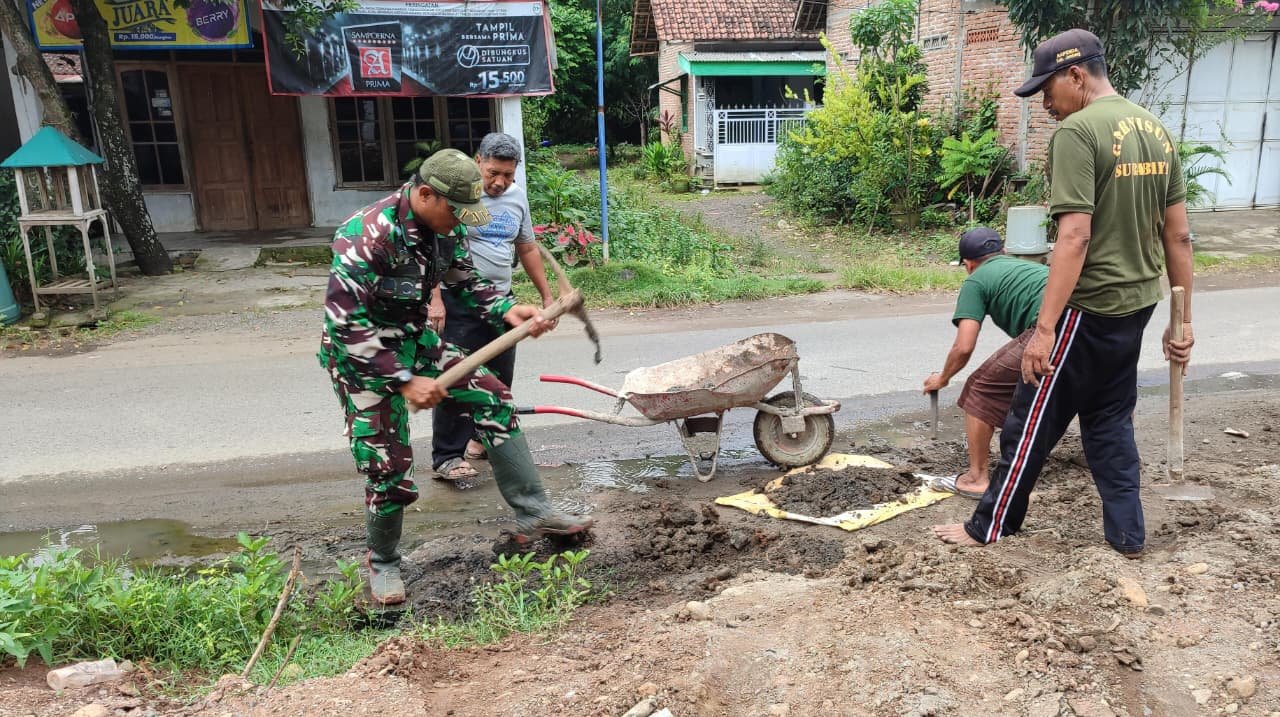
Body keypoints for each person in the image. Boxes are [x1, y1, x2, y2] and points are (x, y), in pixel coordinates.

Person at [933, 29, 1195, 557]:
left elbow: (1075, 234)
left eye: (1048, 91)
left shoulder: (1079, 132)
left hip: (1087, 308)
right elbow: (1179, 234)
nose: (1047, 106)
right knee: (1108, 420)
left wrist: (1045, 329)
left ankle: (989, 525)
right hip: (1137, 306)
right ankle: (1127, 534)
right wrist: (1182, 319)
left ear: (1076, 75)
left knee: (1029, 421)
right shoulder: (1155, 129)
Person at [318, 148, 593, 605]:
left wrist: (509, 309)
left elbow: (467, 283)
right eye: (456, 212)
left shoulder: (447, 228)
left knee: (493, 397)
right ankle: (383, 562)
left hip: (414, 341)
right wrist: (405, 381)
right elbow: (346, 325)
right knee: (388, 467)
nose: (463, 223)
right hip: (363, 359)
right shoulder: (366, 235)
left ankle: (535, 513)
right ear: (426, 194)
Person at [430, 132, 555, 480]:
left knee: (500, 376)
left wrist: (546, 297)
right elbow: (434, 250)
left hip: (501, 301)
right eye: (493, 173)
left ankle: (480, 441)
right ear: (478, 162)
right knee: (457, 377)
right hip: (460, 300)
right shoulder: (458, 197)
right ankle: (447, 457)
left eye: (508, 175)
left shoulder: (517, 198)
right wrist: (435, 297)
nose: (500, 182)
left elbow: (527, 247)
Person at [921, 227, 1048, 499]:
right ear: (1002, 252)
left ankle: (977, 478)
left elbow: (964, 345)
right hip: (1089, 323)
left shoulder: (976, 280)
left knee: (979, 388)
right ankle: (1096, 455)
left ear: (968, 264)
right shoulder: (1026, 267)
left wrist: (942, 378)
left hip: (1048, 330)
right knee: (1091, 389)